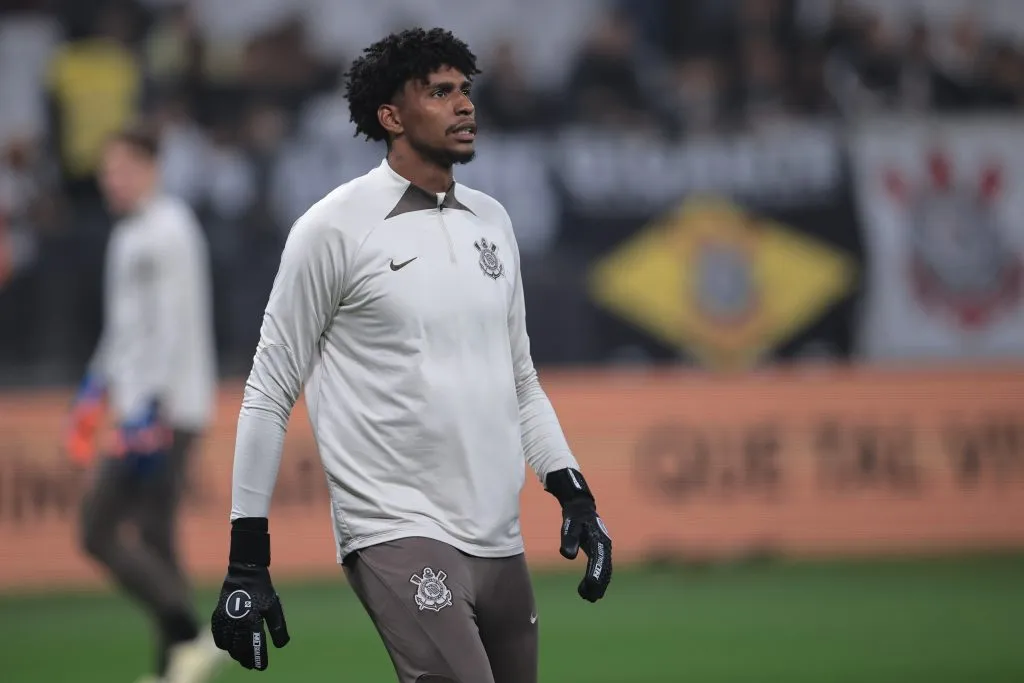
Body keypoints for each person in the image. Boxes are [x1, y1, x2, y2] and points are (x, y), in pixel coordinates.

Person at [209, 27, 614, 683]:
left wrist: (574, 493)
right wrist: (247, 557)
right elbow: (268, 389)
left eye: (465, 90)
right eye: (439, 91)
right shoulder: (331, 229)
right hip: (394, 526)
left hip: (496, 532)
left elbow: (520, 381)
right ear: (391, 116)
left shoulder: (493, 223)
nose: (464, 105)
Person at [65, 124, 222, 683]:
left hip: (167, 411)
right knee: (156, 537)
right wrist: (91, 395)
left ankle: (187, 634)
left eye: (121, 169)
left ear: (150, 167)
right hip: (142, 406)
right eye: (107, 172)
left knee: (97, 528)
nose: (112, 181)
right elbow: (126, 331)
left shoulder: (170, 228)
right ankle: (174, 666)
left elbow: (173, 328)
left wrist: (147, 411)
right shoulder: (129, 235)